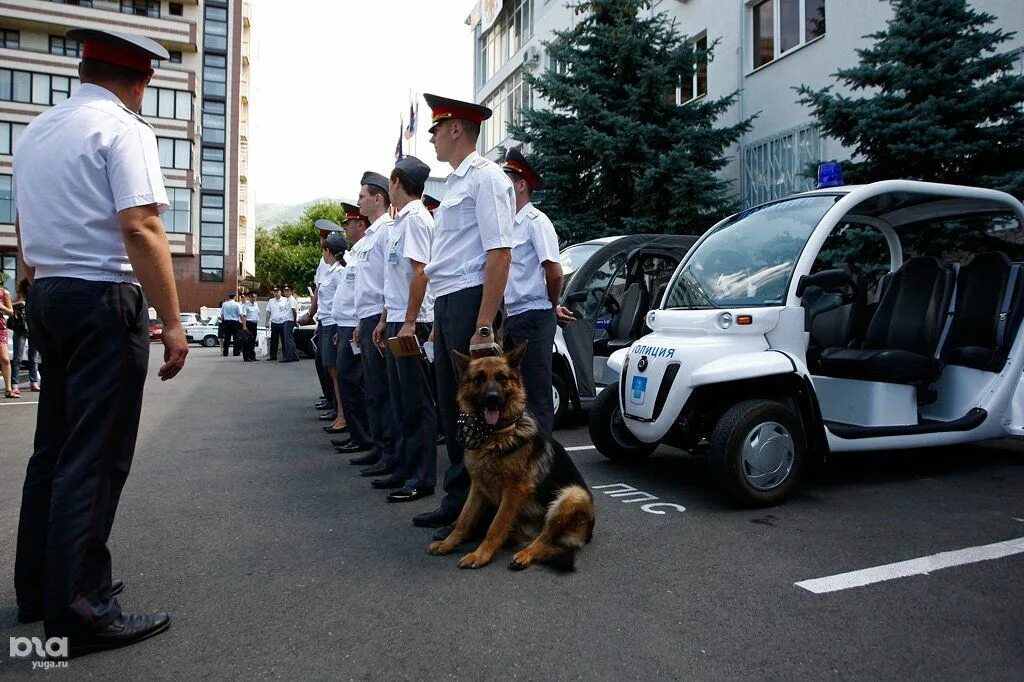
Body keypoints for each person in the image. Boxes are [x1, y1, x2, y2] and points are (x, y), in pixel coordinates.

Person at [12, 28, 187, 655]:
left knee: (52, 449)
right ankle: (80, 608)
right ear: (140, 81)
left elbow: (25, 230)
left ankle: (40, 588)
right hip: (101, 298)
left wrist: (39, 281)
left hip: (50, 292)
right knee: (96, 453)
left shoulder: (38, 130)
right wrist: (171, 319)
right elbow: (140, 225)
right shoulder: (124, 128)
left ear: (84, 70)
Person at [413, 94, 514, 539]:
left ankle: (480, 511)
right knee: (455, 410)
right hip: (451, 301)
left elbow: (499, 252)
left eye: (437, 128)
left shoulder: (486, 178)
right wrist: (439, 316)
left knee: (476, 411)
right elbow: (447, 259)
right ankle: (459, 501)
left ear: (457, 129)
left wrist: (484, 323)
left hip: (474, 300)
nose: (432, 137)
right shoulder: (453, 184)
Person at [370, 155, 436, 502]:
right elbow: (395, 279)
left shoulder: (416, 220)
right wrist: (387, 320)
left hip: (414, 323)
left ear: (396, 182)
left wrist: (409, 322)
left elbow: (420, 273)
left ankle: (421, 477)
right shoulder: (401, 222)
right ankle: (405, 468)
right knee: (400, 401)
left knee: (416, 403)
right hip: (398, 319)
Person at [500, 147, 574, 435]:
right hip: (516, 316)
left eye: (506, 181)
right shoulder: (509, 225)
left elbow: (554, 272)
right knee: (515, 392)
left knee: (537, 394)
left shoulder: (536, 222)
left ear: (520, 185)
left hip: (533, 316)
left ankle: (542, 461)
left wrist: (549, 305)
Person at [350, 171, 397, 476]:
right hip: (367, 318)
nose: (359, 201)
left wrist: (381, 318)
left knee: (383, 390)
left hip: (380, 317)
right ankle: (380, 447)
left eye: (363, 195)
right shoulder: (371, 236)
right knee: (373, 390)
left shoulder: (387, 232)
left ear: (378, 199)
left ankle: (390, 452)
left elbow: (389, 280)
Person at [330, 203, 373, 453]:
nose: (345, 228)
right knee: (348, 379)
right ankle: (359, 436)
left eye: (348, 224)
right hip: (348, 325)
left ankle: (364, 436)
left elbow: (367, 291)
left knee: (353, 379)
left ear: (360, 224)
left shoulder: (366, 248)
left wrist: (357, 323)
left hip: (357, 324)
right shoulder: (356, 253)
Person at [315, 230, 348, 434]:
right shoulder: (331, 271)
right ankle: (340, 413)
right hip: (327, 323)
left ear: (329, 251)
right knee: (332, 372)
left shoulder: (338, 273)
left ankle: (343, 416)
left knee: (337, 373)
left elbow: (342, 299)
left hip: (334, 324)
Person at [10, 277, 40, 393]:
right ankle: (15, 385)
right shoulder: (21, 295)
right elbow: (10, 305)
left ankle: (34, 383)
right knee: (18, 358)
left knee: (34, 358)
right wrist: (20, 303)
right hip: (20, 328)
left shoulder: (36, 295)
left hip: (33, 328)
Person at [266, 286, 292, 361]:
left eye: (277, 292)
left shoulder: (285, 300)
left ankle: (285, 356)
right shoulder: (271, 301)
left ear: (280, 292)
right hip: (274, 322)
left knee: (284, 340)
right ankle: (273, 356)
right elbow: (268, 312)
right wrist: (266, 322)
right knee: (274, 340)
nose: (276, 293)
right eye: (274, 292)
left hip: (283, 322)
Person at [0, 279, 14, 399]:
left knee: (5, 359)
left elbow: (11, 312)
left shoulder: (5, 293)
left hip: (1, 328)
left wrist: (1, 306)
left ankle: (8, 389)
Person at [240, 291, 261, 362]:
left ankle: (252, 356)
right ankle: (246, 357)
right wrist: (244, 326)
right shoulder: (246, 305)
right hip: (248, 324)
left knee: (253, 341)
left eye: (255, 297)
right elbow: (244, 316)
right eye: (252, 297)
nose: (254, 298)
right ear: (249, 297)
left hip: (254, 325)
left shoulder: (256, 304)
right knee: (247, 341)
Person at [220, 291, 242, 357]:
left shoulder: (224, 304)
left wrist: (223, 322)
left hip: (227, 322)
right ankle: (236, 352)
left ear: (229, 297)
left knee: (227, 338)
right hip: (235, 322)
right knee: (236, 338)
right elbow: (240, 314)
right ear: (235, 297)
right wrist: (242, 322)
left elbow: (222, 315)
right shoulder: (237, 304)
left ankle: (225, 352)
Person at [281, 285, 300, 362]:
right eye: (285, 291)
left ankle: (288, 357)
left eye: (288, 291)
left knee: (287, 340)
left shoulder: (291, 300)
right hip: (287, 320)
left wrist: (295, 321)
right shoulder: (287, 300)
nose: (286, 292)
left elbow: (294, 311)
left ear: (291, 292)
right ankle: (295, 356)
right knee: (290, 339)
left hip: (289, 320)